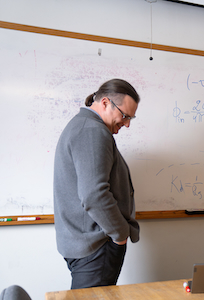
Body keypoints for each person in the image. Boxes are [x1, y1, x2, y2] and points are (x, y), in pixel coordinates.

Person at [53, 78, 141, 289]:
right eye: (125, 116)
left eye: (131, 118)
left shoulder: (84, 126)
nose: (127, 123)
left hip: (88, 246)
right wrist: (120, 234)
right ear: (104, 103)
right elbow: (94, 194)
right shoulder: (92, 131)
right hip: (95, 248)